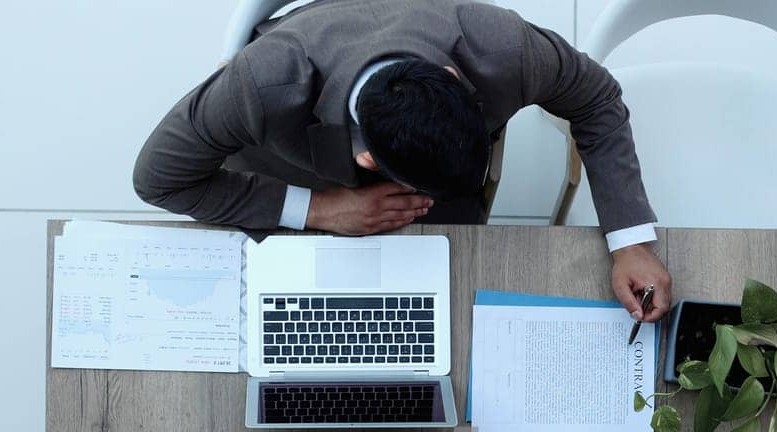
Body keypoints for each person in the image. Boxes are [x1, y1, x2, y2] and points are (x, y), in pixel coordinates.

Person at [132, 0, 671, 323]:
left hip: (420, 141)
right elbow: (158, 179)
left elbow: (597, 99)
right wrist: (317, 210)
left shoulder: (505, 45)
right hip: (290, 184)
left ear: (459, 82)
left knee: (448, 317)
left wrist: (631, 242)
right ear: (367, 159)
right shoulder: (262, 83)